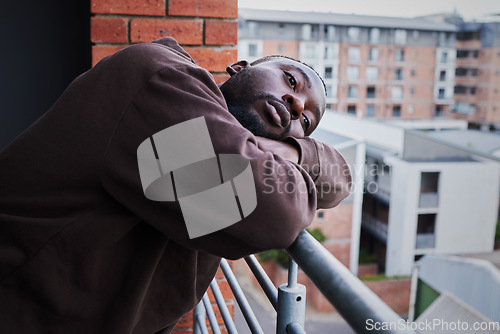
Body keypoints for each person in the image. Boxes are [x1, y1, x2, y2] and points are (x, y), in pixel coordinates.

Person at [0, 37, 351, 333]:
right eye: (290, 81)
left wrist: (282, 150)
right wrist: (285, 155)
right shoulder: (157, 77)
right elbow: (276, 213)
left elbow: (340, 180)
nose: (296, 104)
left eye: (306, 120)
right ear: (239, 67)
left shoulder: (207, 145)